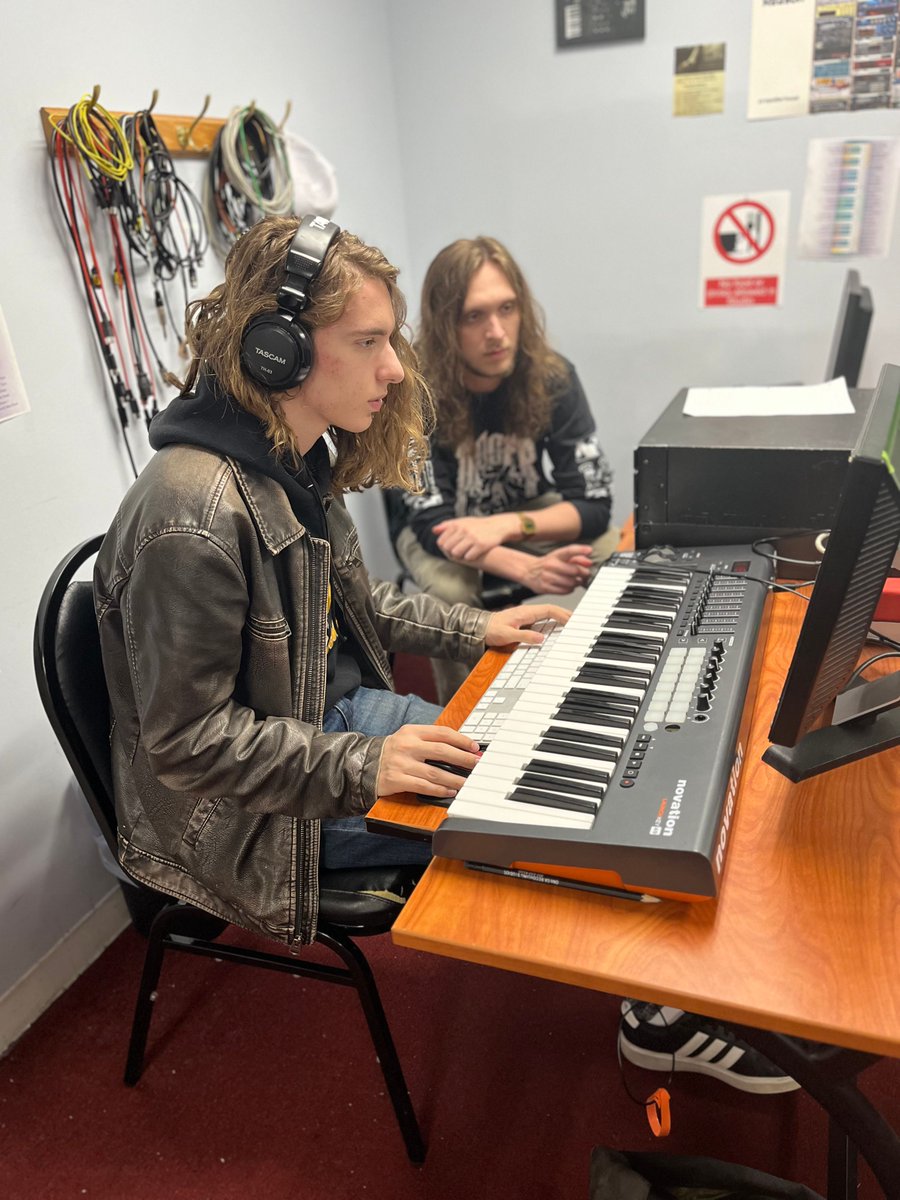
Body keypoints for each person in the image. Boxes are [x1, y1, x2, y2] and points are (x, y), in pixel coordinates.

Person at [93, 214, 570, 946]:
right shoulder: (192, 514)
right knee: (533, 800)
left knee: (537, 746)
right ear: (276, 353)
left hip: (326, 730)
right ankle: (651, 1018)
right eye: (367, 343)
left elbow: (353, 600)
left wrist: (479, 627)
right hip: (250, 815)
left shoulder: (292, 456)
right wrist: (367, 764)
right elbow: (187, 744)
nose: (396, 370)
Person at [394, 235, 618, 703]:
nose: (496, 331)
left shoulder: (553, 376)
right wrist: (527, 568)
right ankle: (467, 719)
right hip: (439, 526)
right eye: (474, 316)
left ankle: (604, 687)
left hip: (521, 511)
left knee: (614, 550)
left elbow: (594, 505)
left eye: (507, 309)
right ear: (444, 324)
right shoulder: (413, 391)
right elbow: (434, 526)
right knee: (447, 592)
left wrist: (505, 526)